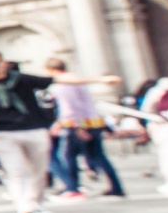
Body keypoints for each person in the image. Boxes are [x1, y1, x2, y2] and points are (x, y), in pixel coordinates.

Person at [0, 50, 118, 213]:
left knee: (38, 170)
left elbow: (59, 79)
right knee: (16, 170)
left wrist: (99, 80)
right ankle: (24, 206)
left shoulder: (20, 78)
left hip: (34, 128)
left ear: (2, 62)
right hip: (3, 132)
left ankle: (34, 203)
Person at [44, 57, 124, 198]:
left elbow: (70, 107)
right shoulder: (78, 81)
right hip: (93, 121)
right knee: (98, 156)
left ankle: (72, 187)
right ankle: (116, 186)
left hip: (75, 123)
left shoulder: (60, 85)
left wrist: (75, 125)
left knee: (67, 156)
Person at [142, 67, 168, 196]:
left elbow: (147, 108)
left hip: (165, 125)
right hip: (167, 126)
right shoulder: (162, 90)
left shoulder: (159, 89)